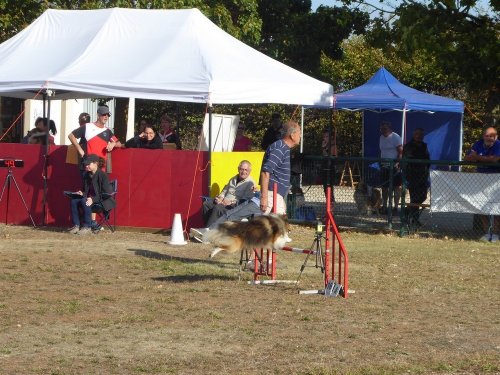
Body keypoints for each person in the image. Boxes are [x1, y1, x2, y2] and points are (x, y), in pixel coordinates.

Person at [464, 126, 500, 242]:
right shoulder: (478, 143)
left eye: (491, 136)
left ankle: (495, 234)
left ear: (496, 137)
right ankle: (487, 232)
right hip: (480, 179)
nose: (488, 138)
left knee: (496, 207)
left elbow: (494, 159)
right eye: (486, 135)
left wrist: (477, 157)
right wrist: (476, 158)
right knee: (480, 206)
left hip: (495, 180)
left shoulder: (498, 145)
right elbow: (467, 157)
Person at [68, 154, 116, 235]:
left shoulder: (103, 175)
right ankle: (76, 225)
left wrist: (92, 199)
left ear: (95, 163)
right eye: (85, 164)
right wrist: (81, 193)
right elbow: (86, 192)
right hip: (91, 200)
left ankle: (87, 226)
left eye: (88, 164)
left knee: (84, 201)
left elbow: (106, 194)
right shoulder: (86, 175)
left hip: (103, 202)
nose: (86, 166)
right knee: (74, 200)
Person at [260, 121, 301, 214]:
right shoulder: (279, 148)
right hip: (272, 195)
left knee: (275, 226)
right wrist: (264, 197)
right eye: (299, 133)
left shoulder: (283, 148)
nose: (300, 137)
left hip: (276, 195)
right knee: (272, 226)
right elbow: (266, 172)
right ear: (292, 135)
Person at [202, 160, 255, 227]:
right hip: (223, 202)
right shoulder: (233, 179)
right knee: (206, 204)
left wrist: (230, 202)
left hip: (234, 207)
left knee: (217, 208)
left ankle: (208, 232)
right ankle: (208, 227)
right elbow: (224, 191)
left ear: (250, 171)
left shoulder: (250, 183)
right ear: (238, 169)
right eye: (241, 169)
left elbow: (245, 200)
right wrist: (220, 198)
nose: (243, 172)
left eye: (246, 170)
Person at [68, 105, 122, 171]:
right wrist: (79, 149)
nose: (106, 117)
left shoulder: (107, 131)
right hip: (88, 167)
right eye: (104, 114)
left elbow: (119, 144)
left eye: (108, 115)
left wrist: (113, 144)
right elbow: (71, 136)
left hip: (101, 167)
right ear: (98, 115)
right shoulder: (87, 126)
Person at [402, 128, 430, 224]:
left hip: (423, 176)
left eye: (421, 135)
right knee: (414, 198)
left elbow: (428, 159)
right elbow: (406, 160)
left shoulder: (424, 146)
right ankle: (415, 219)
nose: (419, 136)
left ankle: (408, 210)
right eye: (417, 134)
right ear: (414, 135)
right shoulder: (408, 146)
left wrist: (426, 170)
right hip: (412, 176)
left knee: (423, 197)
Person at [379, 121, 403, 215]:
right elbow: (382, 151)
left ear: (389, 128)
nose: (383, 130)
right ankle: (385, 206)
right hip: (384, 165)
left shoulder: (395, 137)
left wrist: (398, 163)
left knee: (396, 187)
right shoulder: (381, 137)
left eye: (384, 128)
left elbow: (401, 151)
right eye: (381, 129)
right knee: (384, 187)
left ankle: (396, 207)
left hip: (394, 165)